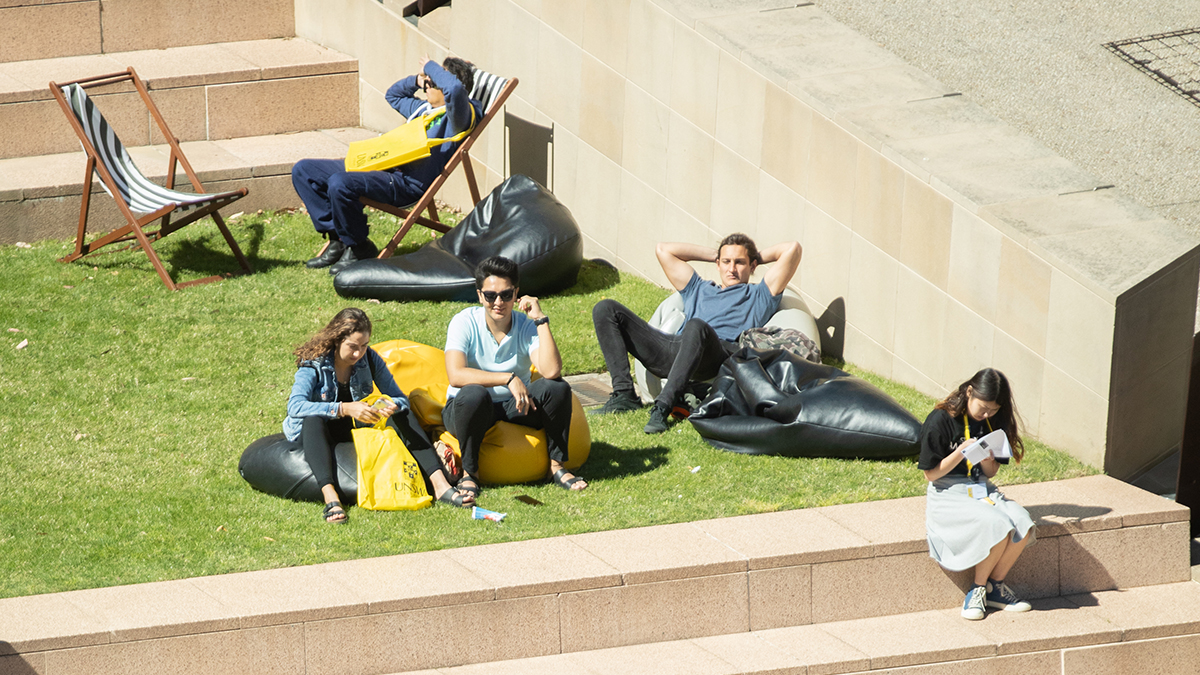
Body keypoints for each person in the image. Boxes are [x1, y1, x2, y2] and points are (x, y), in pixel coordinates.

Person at [591, 234, 802, 434]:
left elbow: (792, 249)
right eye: (726, 262)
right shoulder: (699, 288)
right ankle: (624, 394)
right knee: (606, 309)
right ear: (717, 264)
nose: (732, 269)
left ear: (752, 266)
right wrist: (715, 255)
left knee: (696, 326)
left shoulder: (759, 295)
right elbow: (663, 250)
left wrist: (754, 255)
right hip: (675, 350)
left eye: (740, 262)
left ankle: (663, 406)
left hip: (713, 356)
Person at [292, 56, 482, 275]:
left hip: (404, 183)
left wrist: (430, 67)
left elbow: (456, 89)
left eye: (432, 82)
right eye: (427, 82)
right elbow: (393, 95)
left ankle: (360, 247)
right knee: (304, 171)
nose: (427, 86)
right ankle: (339, 239)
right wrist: (417, 81)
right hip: (381, 166)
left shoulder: (459, 117)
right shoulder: (422, 109)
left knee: (340, 183)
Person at [285, 307, 474, 523]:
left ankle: (441, 486)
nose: (359, 354)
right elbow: (296, 406)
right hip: (316, 430)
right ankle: (331, 498)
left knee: (402, 413)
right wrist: (344, 408)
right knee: (313, 419)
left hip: (352, 426)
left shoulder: (370, 358)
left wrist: (390, 406)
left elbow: (399, 396)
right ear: (337, 340)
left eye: (364, 346)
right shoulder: (314, 364)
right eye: (353, 347)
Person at [442, 256, 586, 497]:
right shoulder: (464, 322)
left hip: (513, 405)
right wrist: (508, 378)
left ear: (516, 294)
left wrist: (540, 320)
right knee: (473, 393)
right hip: (467, 408)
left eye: (506, 295)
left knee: (557, 388)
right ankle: (470, 473)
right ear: (480, 296)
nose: (498, 302)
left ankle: (556, 466)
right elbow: (456, 375)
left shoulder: (525, 325)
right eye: (490, 296)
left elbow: (551, 371)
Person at [918, 368, 1035, 620]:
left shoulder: (995, 422)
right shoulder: (940, 419)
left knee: (1022, 522)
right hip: (947, 489)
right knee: (998, 524)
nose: (986, 414)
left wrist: (984, 457)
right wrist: (960, 451)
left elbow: (991, 472)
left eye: (993, 410)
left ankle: (995, 586)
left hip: (980, 486)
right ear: (969, 392)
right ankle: (977, 589)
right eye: (983, 407)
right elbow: (931, 474)